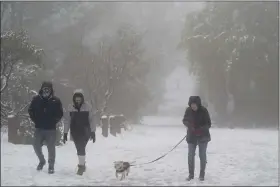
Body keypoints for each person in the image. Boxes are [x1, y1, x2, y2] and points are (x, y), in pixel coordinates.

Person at [28, 81, 63, 174]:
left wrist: (54, 121)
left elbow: (60, 113)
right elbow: (30, 110)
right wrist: (35, 120)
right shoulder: (36, 99)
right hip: (39, 128)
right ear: (42, 89)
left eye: (48, 88)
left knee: (51, 148)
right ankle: (42, 160)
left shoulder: (56, 100)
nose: (46, 90)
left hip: (51, 129)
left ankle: (51, 166)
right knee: (36, 146)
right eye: (44, 88)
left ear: (51, 89)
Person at [63, 89, 96, 175]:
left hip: (86, 131)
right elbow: (67, 121)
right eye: (76, 99)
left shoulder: (88, 107)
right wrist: (65, 133)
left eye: (79, 99)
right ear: (74, 99)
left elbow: (92, 120)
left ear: (82, 99)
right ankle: (82, 164)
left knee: (81, 147)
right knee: (79, 148)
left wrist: (93, 132)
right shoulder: (70, 107)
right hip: (75, 131)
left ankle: (81, 166)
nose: (78, 101)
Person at [183, 96, 211, 181]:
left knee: (202, 155)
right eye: (192, 104)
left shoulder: (204, 111)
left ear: (198, 104)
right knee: (190, 156)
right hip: (191, 136)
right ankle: (191, 175)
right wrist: (189, 126)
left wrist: (201, 129)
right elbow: (184, 120)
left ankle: (202, 175)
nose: (193, 106)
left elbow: (208, 124)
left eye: (194, 104)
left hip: (203, 136)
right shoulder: (188, 111)